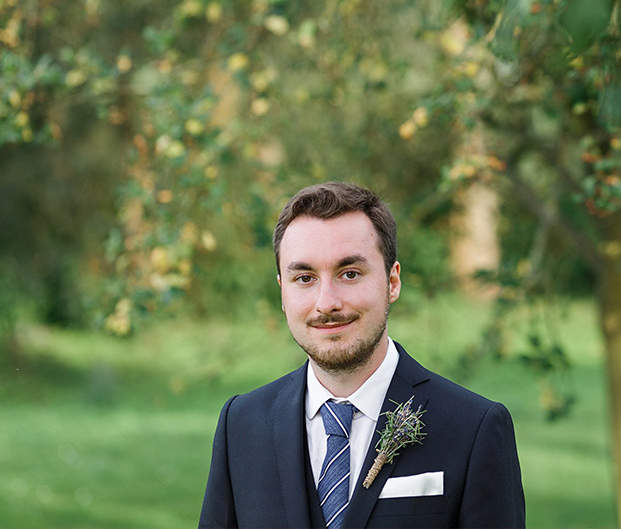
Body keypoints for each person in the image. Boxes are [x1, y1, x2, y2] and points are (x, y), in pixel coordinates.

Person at [199, 181, 526, 529]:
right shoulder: (242, 424)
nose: (327, 303)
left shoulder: (474, 428)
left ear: (392, 282)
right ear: (283, 291)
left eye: (350, 274)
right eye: (305, 278)